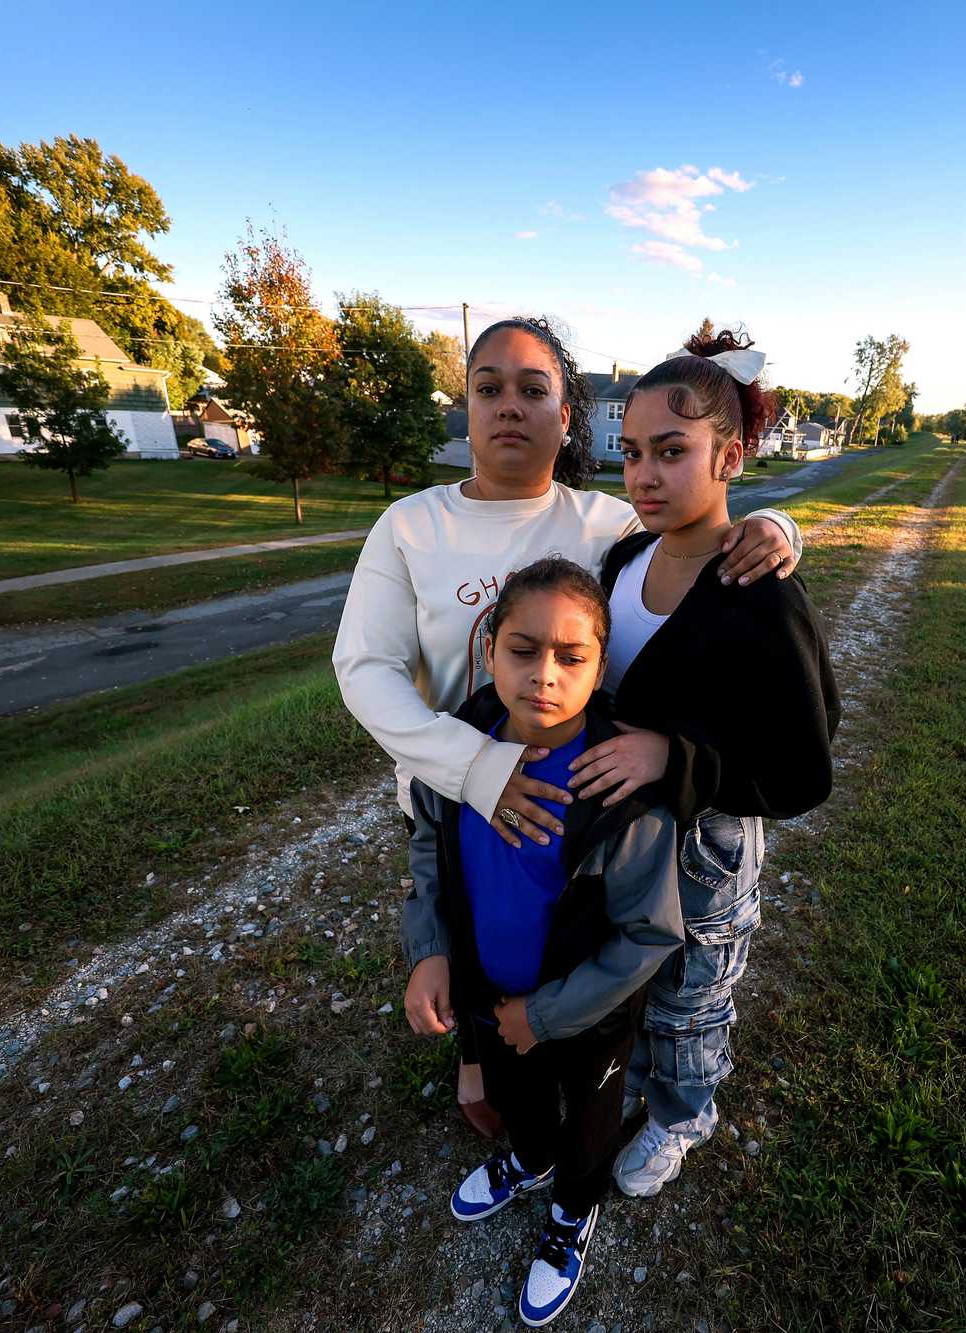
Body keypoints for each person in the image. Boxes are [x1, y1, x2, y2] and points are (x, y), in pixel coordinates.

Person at [333, 317, 803, 1137]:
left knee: (560, 944)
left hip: (572, 804)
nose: (508, 406)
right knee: (473, 928)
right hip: (454, 792)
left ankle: (581, 1087)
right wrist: (475, 766)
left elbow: (697, 541)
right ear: (467, 407)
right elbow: (364, 669)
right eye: (488, 388)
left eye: (533, 389)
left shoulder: (603, 524)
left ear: (567, 416)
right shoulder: (409, 526)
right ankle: (480, 1053)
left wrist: (778, 530)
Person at [561, 327, 839, 1199]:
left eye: (672, 452)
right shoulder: (622, 559)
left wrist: (674, 756)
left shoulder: (759, 589)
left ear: (731, 456)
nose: (642, 474)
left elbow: (803, 769)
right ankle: (636, 1073)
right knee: (632, 969)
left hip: (708, 845)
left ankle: (685, 1113)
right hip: (626, 833)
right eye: (632, 450)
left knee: (693, 989)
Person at [401, 558, 683, 1327]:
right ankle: (529, 1156)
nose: (544, 676)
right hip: (487, 991)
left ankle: (571, 1210)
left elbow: (650, 933)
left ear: (601, 663)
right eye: (523, 649)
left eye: (571, 656)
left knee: (589, 1118)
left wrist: (549, 1013)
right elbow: (428, 841)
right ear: (489, 647)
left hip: (584, 1013)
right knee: (517, 1095)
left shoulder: (620, 792)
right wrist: (428, 946)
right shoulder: (456, 743)